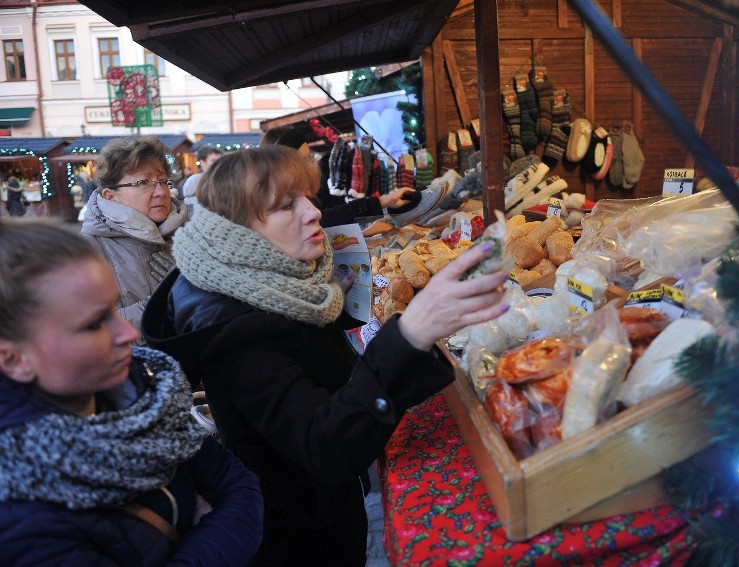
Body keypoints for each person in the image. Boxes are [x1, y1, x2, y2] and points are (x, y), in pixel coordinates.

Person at [141, 145, 508, 565]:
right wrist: (409, 332)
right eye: (285, 206)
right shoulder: (239, 334)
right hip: (298, 537)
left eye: (307, 198)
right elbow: (324, 446)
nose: (313, 212)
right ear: (238, 233)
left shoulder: (277, 284)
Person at [0, 219, 263, 566]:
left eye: (113, 309)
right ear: (14, 358)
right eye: (94, 323)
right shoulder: (18, 513)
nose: (126, 331)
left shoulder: (144, 392)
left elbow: (239, 486)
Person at [81, 136, 187, 336]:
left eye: (163, 181)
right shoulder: (86, 250)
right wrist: (163, 304)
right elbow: (89, 331)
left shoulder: (189, 232)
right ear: (110, 196)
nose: (161, 192)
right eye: (144, 182)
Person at [261, 126, 415, 227]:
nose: (311, 163)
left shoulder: (302, 192)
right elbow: (324, 219)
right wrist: (380, 203)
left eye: (310, 156)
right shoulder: (274, 204)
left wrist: (382, 202)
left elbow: (328, 216)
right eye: (305, 158)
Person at [181, 146, 224, 218]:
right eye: (213, 160)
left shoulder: (227, 180)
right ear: (203, 162)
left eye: (220, 160)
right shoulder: (195, 180)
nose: (218, 163)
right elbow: (190, 205)